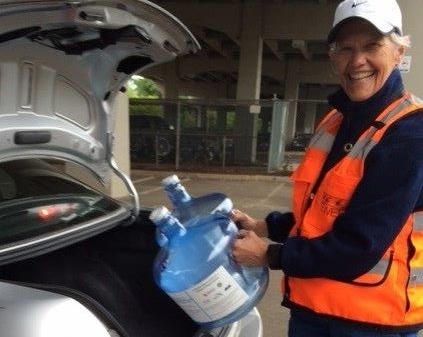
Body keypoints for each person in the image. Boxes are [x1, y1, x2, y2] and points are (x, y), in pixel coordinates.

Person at [231, 0, 423, 336]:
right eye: (345, 48)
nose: (357, 60)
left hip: (371, 323)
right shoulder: (337, 120)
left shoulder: (410, 132)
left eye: (371, 45)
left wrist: (270, 255)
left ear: (399, 51)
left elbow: (359, 245)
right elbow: (321, 211)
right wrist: (263, 225)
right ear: (333, 58)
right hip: (315, 313)